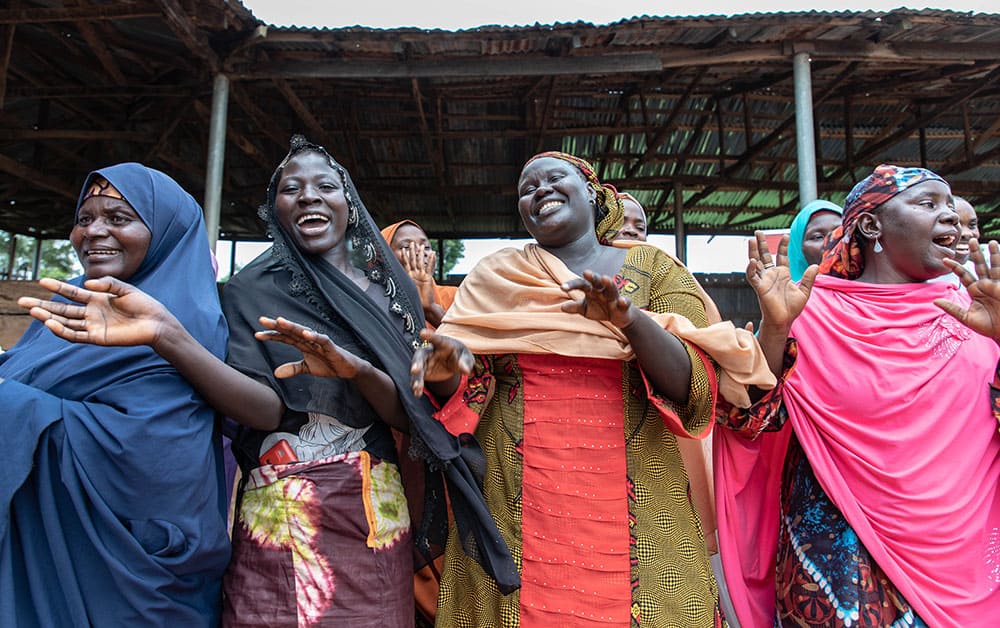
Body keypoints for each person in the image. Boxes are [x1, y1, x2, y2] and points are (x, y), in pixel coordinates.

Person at [22, 137, 518, 626]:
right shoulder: (246, 291)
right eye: (290, 188)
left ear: (349, 201)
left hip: (373, 512)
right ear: (274, 208)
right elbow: (263, 412)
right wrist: (167, 335)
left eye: (325, 184)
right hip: (275, 509)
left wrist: (366, 371)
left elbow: (407, 419)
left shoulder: (388, 293)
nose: (307, 195)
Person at [410, 151, 774, 627]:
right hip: (514, 495)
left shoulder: (656, 269)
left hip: (639, 494)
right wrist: (443, 369)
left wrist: (628, 319)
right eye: (526, 188)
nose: (538, 190)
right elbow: (467, 386)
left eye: (553, 178)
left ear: (592, 192)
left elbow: (695, 386)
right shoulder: (497, 275)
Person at [716, 164, 1000, 627]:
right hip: (843, 561)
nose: (949, 218)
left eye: (951, 206)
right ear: (871, 226)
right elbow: (750, 419)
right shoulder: (814, 312)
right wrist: (775, 329)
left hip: (966, 559)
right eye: (928, 204)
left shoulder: (978, 307)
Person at [5, 163, 230, 625]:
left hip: (131, 569)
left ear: (166, 232)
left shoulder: (189, 321)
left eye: (118, 218)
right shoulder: (70, 308)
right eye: (84, 218)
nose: (94, 232)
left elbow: (155, 455)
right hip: (47, 539)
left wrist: (10, 404)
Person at [380, 220, 458, 328]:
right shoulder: (374, 301)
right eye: (406, 247)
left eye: (426, 247)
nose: (419, 252)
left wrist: (431, 310)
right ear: (383, 256)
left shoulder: (455, 297)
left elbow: (473, 342)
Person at [787, 199, 842, 282]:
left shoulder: (866, 290)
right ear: (798, 249)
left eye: (840, 233)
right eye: (818, 237)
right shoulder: (785, 294)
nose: (831, 241)